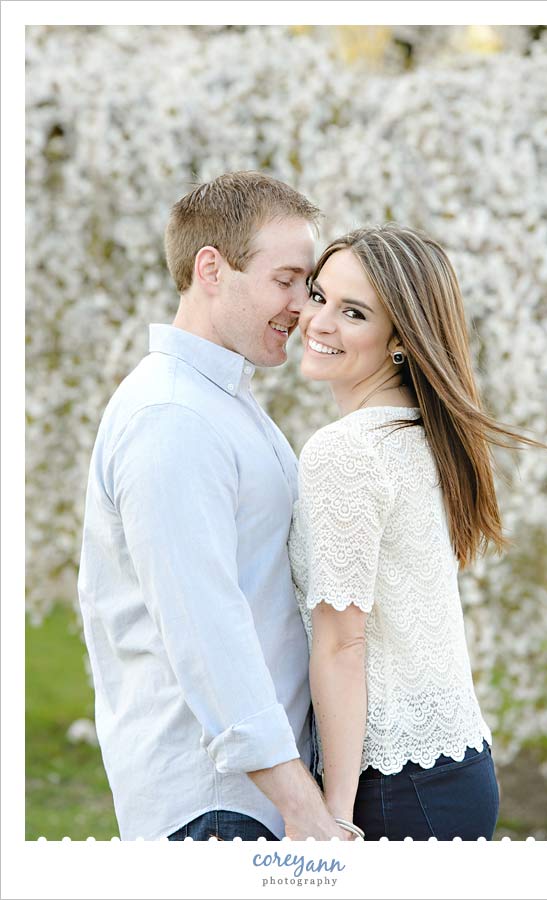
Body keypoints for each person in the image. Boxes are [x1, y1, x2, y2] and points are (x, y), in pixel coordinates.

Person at [77, 171, 354, 842]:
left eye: (307, 284)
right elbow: (205, 627)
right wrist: (302, 806)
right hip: (218, 806)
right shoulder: (172, 418)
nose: (303, 307)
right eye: (285, 280)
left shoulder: (219, 404)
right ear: (211, 269)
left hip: (247, 799)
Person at [289, 223, 541, 841]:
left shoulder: (346, 451)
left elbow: (343, 644)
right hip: (455, 771)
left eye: (353, 312)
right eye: (317, 295)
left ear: (399, 339)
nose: (318, 322)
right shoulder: (418, 435)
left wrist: (334, 817)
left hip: (392, 784)